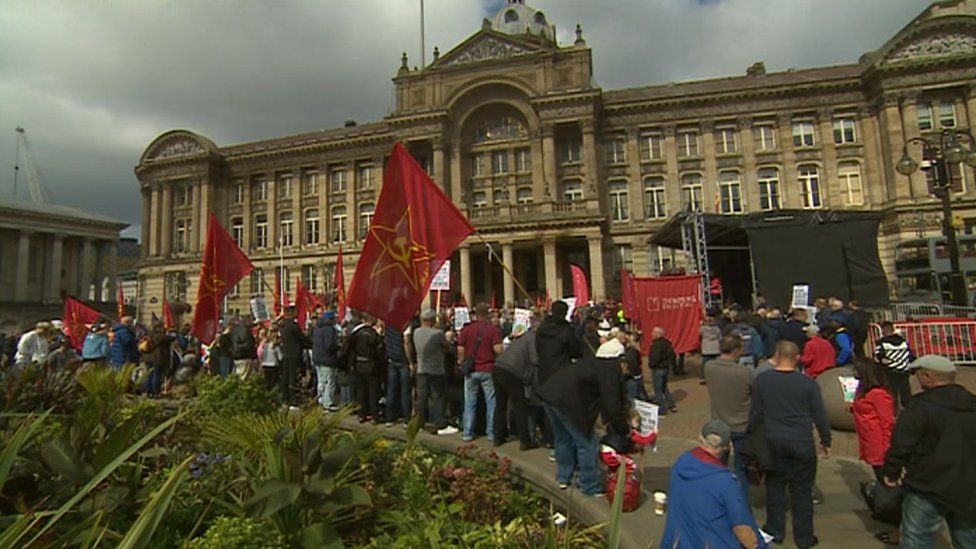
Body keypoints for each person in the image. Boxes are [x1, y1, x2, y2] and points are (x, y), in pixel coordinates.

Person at [882, 355, 976, 548]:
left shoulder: (920, 406)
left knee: (916, 540)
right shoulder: (971, 403)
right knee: (968, 539)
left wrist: (891, 470)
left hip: (927, 484)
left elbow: (902, 443)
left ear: (928, 376)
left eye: (917, 374)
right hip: (968, 486)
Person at [749, 340, 831, 549]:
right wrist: (825, 440)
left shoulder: (763, 380)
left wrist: (751, 440)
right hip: (801, 442)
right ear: (797, 358)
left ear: (777, 355)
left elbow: (756, 414)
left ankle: (775, 530)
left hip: (773, 441)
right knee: (802, 491)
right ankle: (804, 537)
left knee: (774, 487)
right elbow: (820, 415)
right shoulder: (808, 384)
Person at [536, 347, 631, 497]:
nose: (626, 377)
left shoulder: (599, 363)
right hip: (567, 401)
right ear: (624, 365)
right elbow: (612, 405)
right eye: (628, 373)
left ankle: (563, 477)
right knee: (587, 442)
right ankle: (589, 485)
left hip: (550, 394)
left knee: (563, 438)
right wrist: (625, 430)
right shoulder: (611, 372)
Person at [661, 420, 766, 549]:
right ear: (727, 447)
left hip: (676, 542)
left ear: (700, 438)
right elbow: (744, 527)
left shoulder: (679, 464)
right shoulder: (726, 483)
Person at [704, 335, 754, 498]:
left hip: (719, 423)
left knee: (718, 465)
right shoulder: (744, 372)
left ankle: (717, 496)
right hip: (742, 423)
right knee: (741, 467)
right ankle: (740, 501)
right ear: (736, 350)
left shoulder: (710, 367)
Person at [458, 303, 503, 442]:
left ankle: (468, 433)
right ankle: (491, 433)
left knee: (470, 402)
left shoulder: (466, 330)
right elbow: (498, 350)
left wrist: (461, 363)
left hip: (471, 370)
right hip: (488, 369)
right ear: (488, 314)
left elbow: (460, 351)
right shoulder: (493, 330)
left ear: (475, 314)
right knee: (491, 402)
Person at [492, 318, 539, 450]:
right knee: (519, 406)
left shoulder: (522, 339)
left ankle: (498, 437)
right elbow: (535, 359)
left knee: (500, 405)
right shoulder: (533, 339)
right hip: (512, 371)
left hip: (498, 367)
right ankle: (525, 440)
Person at [413, 309, 457, 435]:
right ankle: (440, 424)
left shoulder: (416, 332)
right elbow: (447, 347)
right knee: (438, 397)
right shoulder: (437, 334)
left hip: (422, 369)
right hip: (436, 370)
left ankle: (418, 424)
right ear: (432, 320)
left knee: (421, 398)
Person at [850, 358, 894, 482]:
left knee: (883, 475)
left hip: (878, 441)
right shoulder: (864, 391)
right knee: (877, 471)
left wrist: (887, 448)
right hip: (868, 438)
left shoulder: (879, 394)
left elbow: (887, 422)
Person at [346, 313, 384, 423]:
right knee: (373, 392)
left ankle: (361, 415)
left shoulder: (356, 333)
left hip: (359, 364)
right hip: (371, 365)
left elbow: (350, 349)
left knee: (361, 391)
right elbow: (379, 351)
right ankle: (374, 416)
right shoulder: (373, 334)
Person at [535, 300, 581, 385]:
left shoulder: (541, 328)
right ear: (565, 313)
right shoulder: (566, 330)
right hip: (561, 372)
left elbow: (537, 348)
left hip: (543, 370)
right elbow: (575, 352)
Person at [874, 321, 913, 410]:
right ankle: (910, 412)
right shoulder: (903, 342)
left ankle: (893, 413)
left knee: (892, 394)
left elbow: (878, 356)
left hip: (890, 371)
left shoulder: (882, 343)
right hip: (904, 371)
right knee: (906, 394)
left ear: (883, 331)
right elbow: (910, 355)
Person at [278, 307, 310, 408]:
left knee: (285, 377)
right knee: (293, 377)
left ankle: (285, 398)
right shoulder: (293, 326)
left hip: (286, 354)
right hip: (294, 354)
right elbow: (302, 338)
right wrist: (310, 342)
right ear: (291, 313)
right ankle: (293, 399)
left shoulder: (283, 326)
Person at [311, 311, 340, 411]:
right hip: (327, 359)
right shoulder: (329, 329)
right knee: (329, 382)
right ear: (330, 319)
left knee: (321, 381)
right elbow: (329, 345)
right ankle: (328, 403)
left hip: (317, 358)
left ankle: (322, 400)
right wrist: (338, 346)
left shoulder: (317, 328)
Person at [384, 324, 412, 427]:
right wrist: (411, 361)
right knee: (405, 391)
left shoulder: (388, 323)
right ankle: (406, 418)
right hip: (403, 360)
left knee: (391, 389)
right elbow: (407, 342)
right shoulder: (405, 324)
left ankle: (390, 417)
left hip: (391, 358)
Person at [647, 326, 677, 415]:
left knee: (658, 390)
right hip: (665, 368)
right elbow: (673, 355)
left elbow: (655, 358)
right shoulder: (668, 343)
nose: (651, 334)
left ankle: (662, 409)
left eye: (653, 333)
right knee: (664, 388)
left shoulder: (656, 345)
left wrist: (651, 364)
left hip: (658, 369)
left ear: (657, 334)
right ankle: (672, 405)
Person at [699, 314, 722, 386]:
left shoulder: (703, 329)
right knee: (716, 365)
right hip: (715, 349)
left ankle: (703, 378)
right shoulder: (717, 329)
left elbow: (698, 334)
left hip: (706, 349)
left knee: (704, 365)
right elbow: (720, 338)